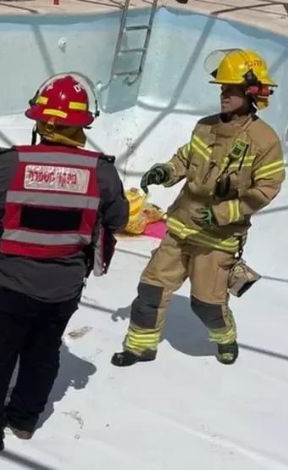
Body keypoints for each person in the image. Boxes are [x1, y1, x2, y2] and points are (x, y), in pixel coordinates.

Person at [0, 73, 129, 452]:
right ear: (81, 125)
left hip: (11, 283)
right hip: (64, 288)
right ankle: (24, 419)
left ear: (40, 121)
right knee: (43, 352)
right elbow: (118, 220)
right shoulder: (102, 172)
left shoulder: (10, 163)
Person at [111, 49, 284, 367]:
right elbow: (186, 158)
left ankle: (225, 337)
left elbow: (267, 190)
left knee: (207, 304)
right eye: (222, 89)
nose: (223, 95)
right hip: (180, 226)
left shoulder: (265, 141)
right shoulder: (204, 127)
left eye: (231, 90)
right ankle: (140, 347)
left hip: (217, 238)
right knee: (151, 289)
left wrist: (222, 213)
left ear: (251, 93)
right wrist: (166, 170)